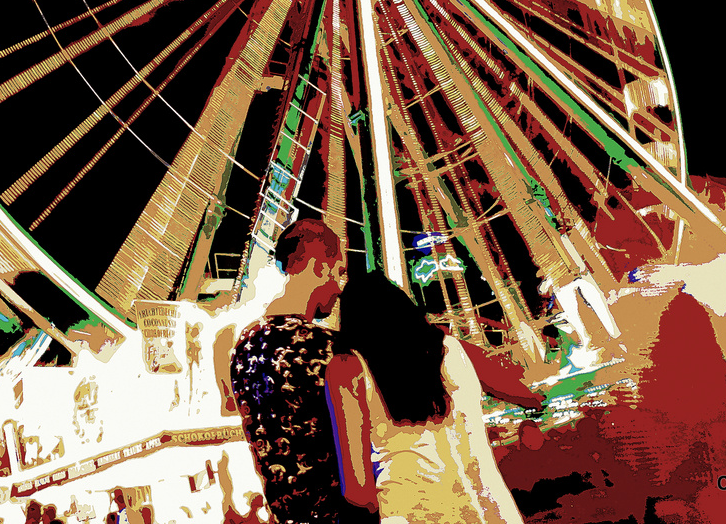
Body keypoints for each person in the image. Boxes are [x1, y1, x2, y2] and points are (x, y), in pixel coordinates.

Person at [325, 272, 524, 524]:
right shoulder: (457, 350)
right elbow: (521, 391)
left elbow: (359, 492)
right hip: (491, 510)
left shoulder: (348, 368)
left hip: (409, 513)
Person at [225, 219, 356, 524]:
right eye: (339, 271)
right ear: (319, 266)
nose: (339, 287)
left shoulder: (242, 346)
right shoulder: (327, 348)